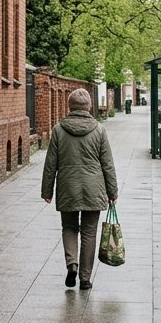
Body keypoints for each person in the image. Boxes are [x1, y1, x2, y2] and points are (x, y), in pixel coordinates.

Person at [41, 88, 118, 291]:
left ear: (69, 106)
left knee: (69, 228)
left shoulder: (58, 130)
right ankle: (85, 279)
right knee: (89, 233)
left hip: (68, 187)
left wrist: (47, 191)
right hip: (94, 188)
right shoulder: (99, 130)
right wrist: (113, 192)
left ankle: (72, 264)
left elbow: (51, 163)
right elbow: (107, 164)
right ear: (89, 107)